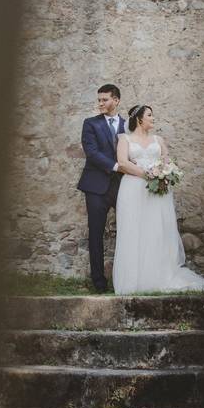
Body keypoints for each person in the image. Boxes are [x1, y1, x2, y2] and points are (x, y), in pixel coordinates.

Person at [112, 105, 204, 294]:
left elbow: (166, 160)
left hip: (158, 191)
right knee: (134, 229)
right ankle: (134, 279)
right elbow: (123, 163)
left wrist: (165, 172)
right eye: (150, 115)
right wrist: (147, 174)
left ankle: (159, 275)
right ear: (139, 119)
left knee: (157, 230)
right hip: (133, 189)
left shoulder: (159, 140)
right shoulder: (124, 139)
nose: (153, 118)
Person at [76, 84, 125, 292]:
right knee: (96, 234)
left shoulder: (128, 124)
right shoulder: (90, 123)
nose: (100, 104)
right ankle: (99, 282)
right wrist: (116, 166)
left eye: (104, 100)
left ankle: (125, 280)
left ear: (116, 100)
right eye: (99, 100)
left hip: (123, 187)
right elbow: (92, 152)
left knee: (128, 232)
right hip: (96, 187)